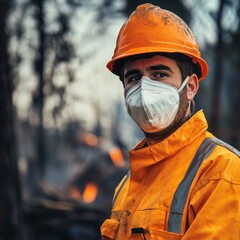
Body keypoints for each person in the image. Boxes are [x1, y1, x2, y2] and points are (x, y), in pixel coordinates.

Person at [100, 3, 240, 240]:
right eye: (133, 77)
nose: (144, 88)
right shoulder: (126, 186)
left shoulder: (220, 172)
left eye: (159, 74)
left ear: (191, 87)